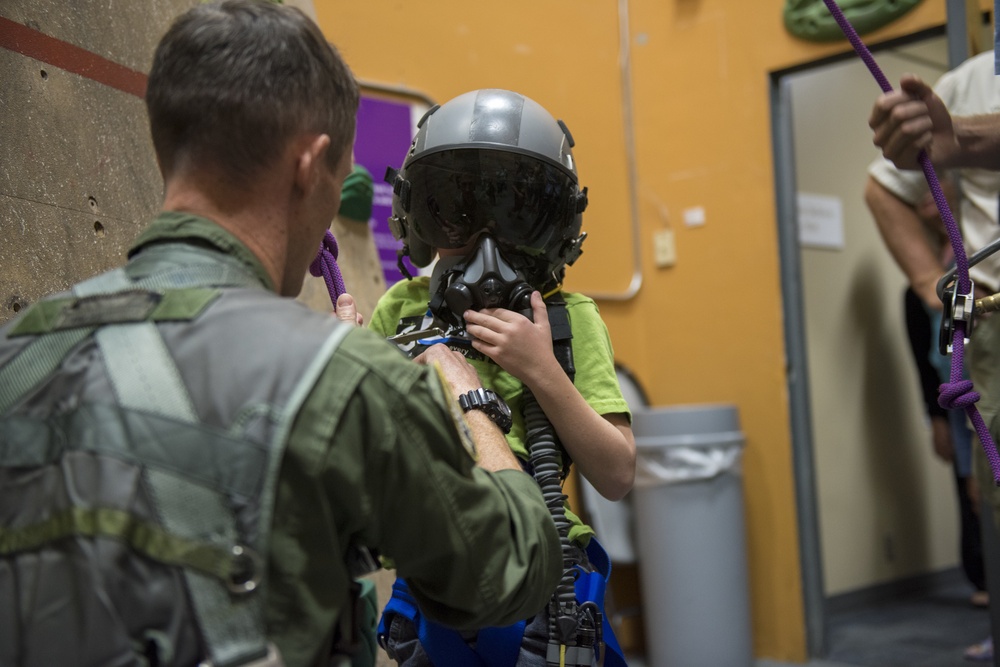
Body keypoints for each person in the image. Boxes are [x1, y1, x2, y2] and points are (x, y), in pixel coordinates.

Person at [0, 4, 564, 667]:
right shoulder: (344, 377)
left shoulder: (21, 353)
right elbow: (514, 566)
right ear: (310, 164)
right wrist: (472, 402)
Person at [369, 89, 636, 667]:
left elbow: (616, 474)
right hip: (437, 575)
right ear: (419, 216)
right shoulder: (401, 310)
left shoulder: (569, 319)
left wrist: (543, 371)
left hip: (549, 582)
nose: (486, 250)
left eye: (516, 218)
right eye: (455, 215)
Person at [868, 48, 1000, 664]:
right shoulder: (968, 80)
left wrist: (960, 139)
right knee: (984, 495)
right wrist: (931, 287)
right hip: (989, 336)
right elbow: (929, 359)